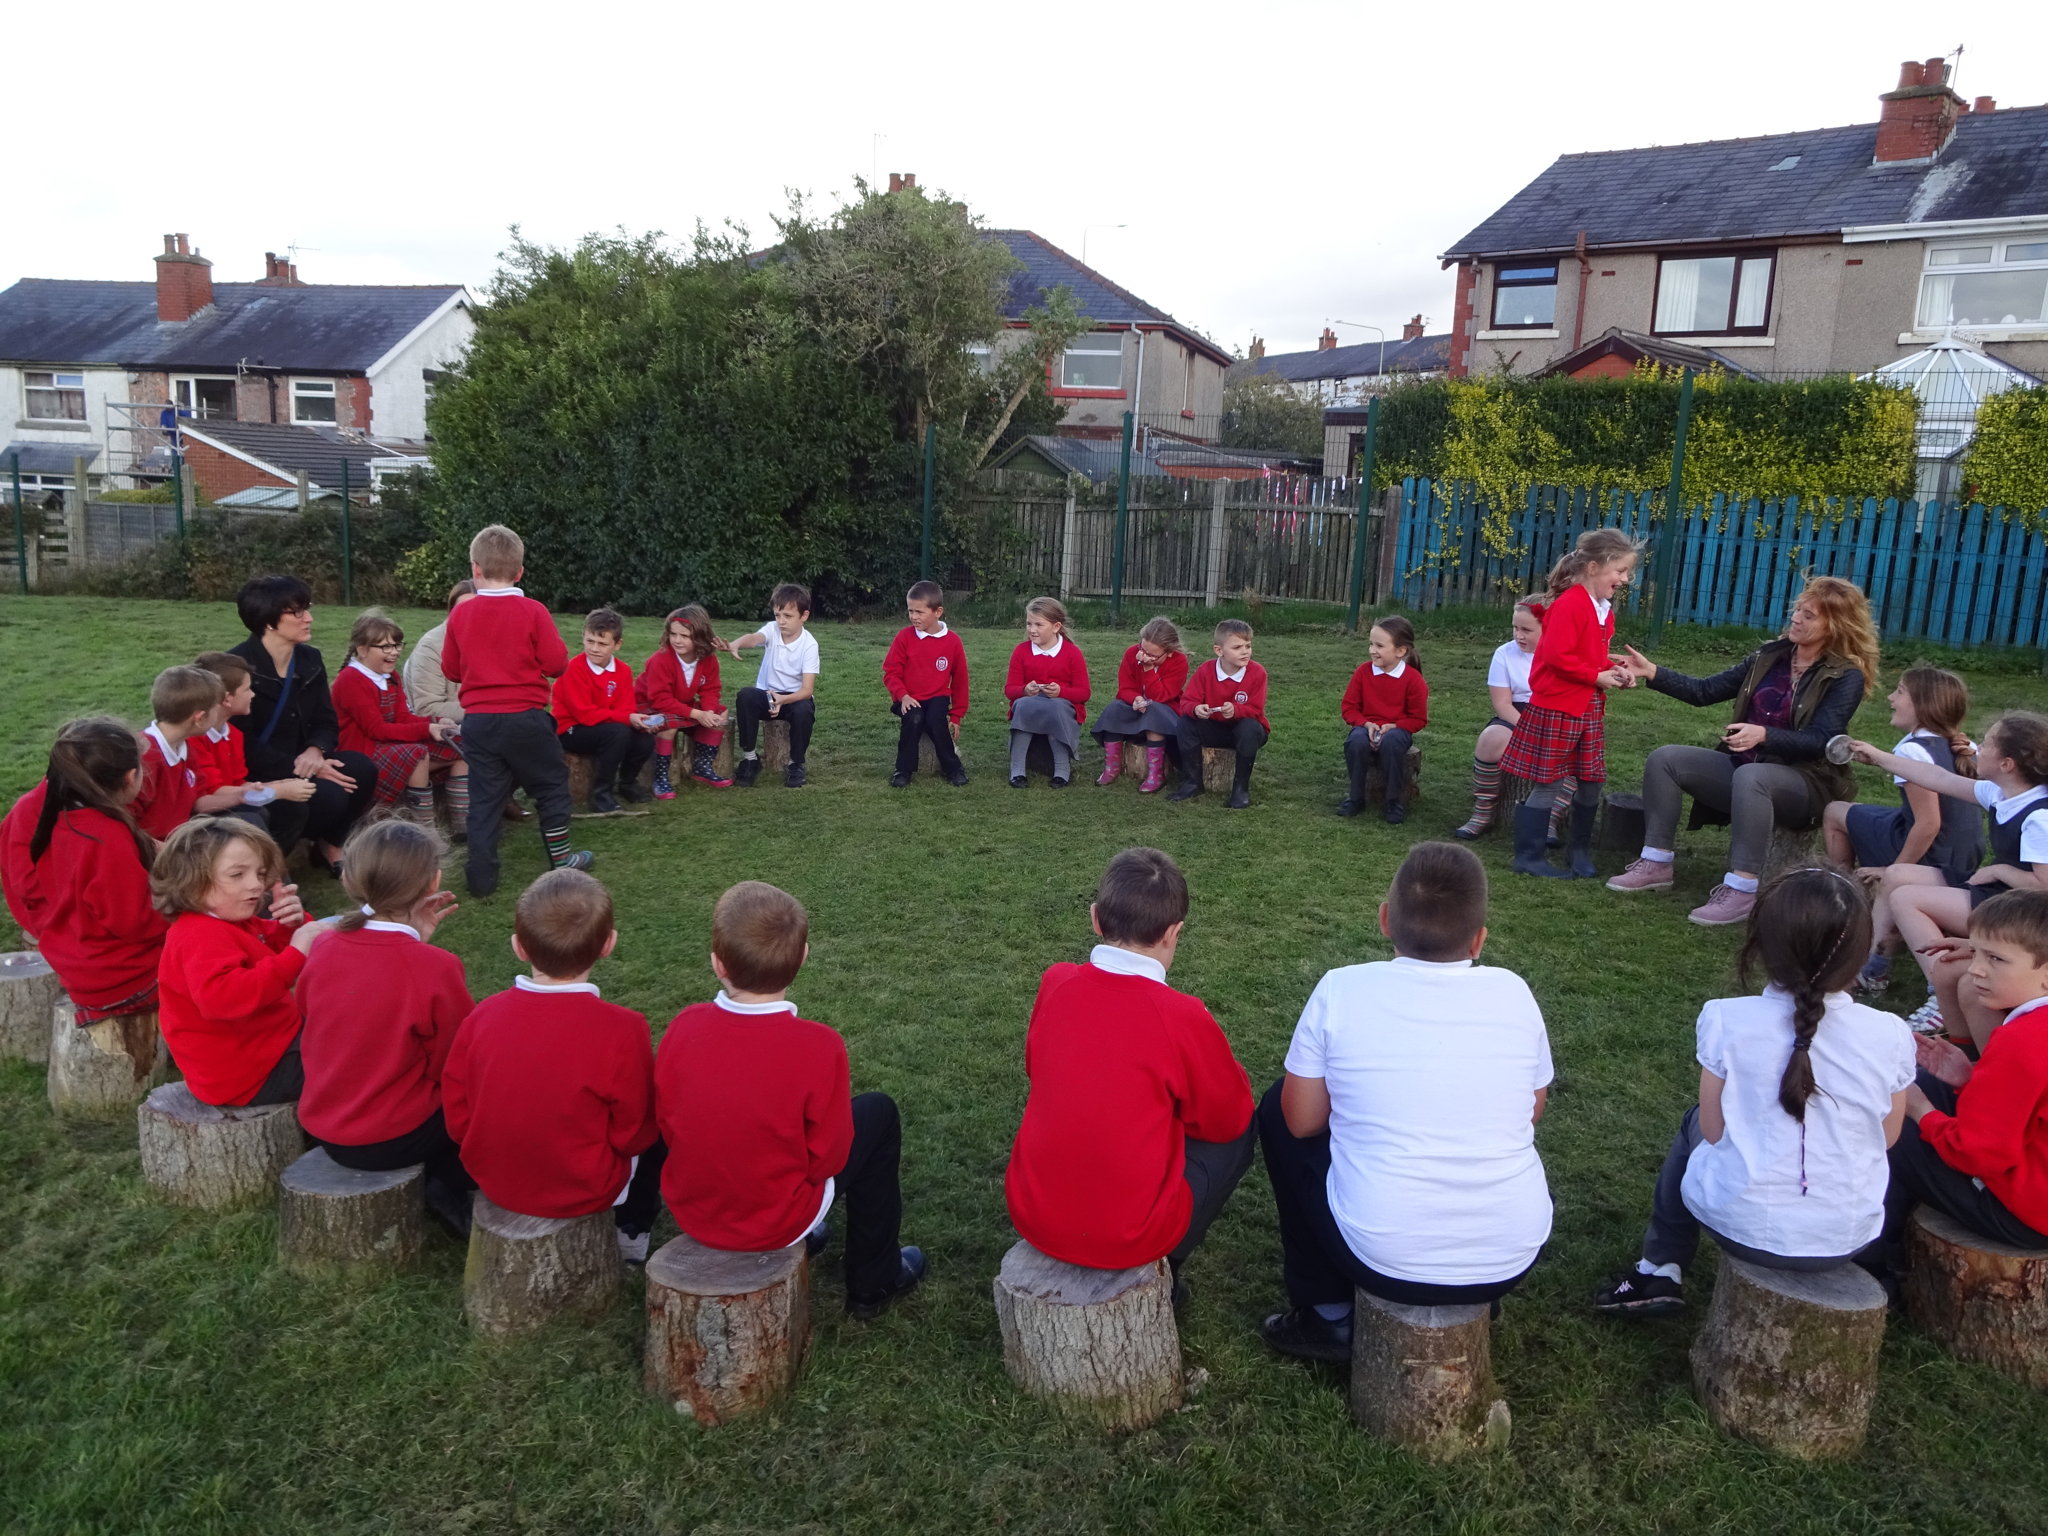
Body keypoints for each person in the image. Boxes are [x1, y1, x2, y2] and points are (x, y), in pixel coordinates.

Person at [1257, 842, 1552, 1361]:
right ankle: (1472, 1285)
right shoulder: (1515, 992)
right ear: (1479, 939)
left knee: (1279, 1111)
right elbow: (1531, 1110)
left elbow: (1302, 1123)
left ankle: (1326, 1310)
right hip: (1511, 1260)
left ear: (1385, 920)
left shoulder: (1341, 989)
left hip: (1378, 1255)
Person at [1593, 868, 1912, 1316]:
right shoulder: (1893, 1033)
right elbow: (1889, 1136)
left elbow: (1712, 1127)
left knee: (1691, 1123)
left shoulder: (1726, 1018)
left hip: (1738, 1224)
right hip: (1848, 1237)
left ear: (1760, 944)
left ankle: (1659, 1267)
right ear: (1862, 951)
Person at [655, 881, 926, 1318]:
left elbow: (669, 1122)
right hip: (777, 1217)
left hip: (693, 1208)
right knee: (879, 1113)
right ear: (802, 958)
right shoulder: (819, 1046)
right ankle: (874, 1279)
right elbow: (830, 1158)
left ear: (717, 963)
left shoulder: (683, 1027)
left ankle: (821, 1240)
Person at [1005, 848, 1254, 1304]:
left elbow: (1035, 1067)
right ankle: (1169, 1265)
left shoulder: (1057, 982)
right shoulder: (1182, 1016)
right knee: (1241, 1131)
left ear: (1096, 918)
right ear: (1174, 932)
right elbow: (1228, 1119)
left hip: (1032, 1212)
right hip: (1131, 1236)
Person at [1607, 575, 1877, 924]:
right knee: (1666, 759)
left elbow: (1822, 739)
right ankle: (1656, 861)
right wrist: (1652, 672)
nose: (1796, 618)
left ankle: (1741, 890)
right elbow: (1705, 691)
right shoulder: (1771, 657)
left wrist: (1764, 735)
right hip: (1747, 770)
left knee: (1752, 776)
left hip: (1806, 783)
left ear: (1836, 624)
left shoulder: (1845, 676)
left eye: (1809, 615)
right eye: (1798, 610)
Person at [442, 868, 664, 1261]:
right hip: (583, 1186)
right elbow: (634, 1132)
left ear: (518, 947)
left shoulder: (482, 1016)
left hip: (494, 1177)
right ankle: (631, 1230)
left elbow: (457, 1109)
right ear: (608, 944)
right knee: (660, 1134)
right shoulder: (622, 1029)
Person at [296, 819, 477, 1237]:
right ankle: (451, 1179)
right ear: (433, 880)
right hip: (393, 1134)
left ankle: (442, 1179)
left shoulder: (322, 947)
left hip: (325, 1125)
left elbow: (312, 1015)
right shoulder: (435, 968)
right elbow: (456, 1060)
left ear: (349, 879)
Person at [1849, 713, 2048, 1049]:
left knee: (1906, 899)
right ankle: (1874, 968)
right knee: (1897, 876)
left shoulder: (2039, 816)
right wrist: (1880, 757)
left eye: (1987, 744)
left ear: (2007, 763)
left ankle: (1941, 994)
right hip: (2003, 893)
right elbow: (1937, 777)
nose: (1977, 748)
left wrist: (2001, 872)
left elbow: (2042, 887)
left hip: (2024, 912)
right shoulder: (2003, 793)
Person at [1880, 890, 2048, 1270]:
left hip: (2028, 1215)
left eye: (1995, 959)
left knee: (1894, 1129)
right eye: (1976, 953)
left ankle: (1878, 1258)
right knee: (1929, 1087)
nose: (1975, 970)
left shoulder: (2021, 1040)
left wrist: (1922, 1112)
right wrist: (1968, 1080)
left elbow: (1978, 1154)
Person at [439, 525, 592, 897]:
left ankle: (481, 875)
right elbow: (556, 663)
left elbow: (451, 670)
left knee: (485, 796)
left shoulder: (461, 616)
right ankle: (561, 861)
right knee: (551, 785)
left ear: (475, 569)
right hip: (526, 717)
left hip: (478, 722)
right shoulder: (533, 610)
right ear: (520, 571)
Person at [1821, 667, 1982, 996]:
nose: (1891, 698)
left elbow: (1929, 823)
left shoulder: (1912, 750)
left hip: (1933, 855)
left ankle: (1842, 906)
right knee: (1841, 811)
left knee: (1834, 812)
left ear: (1922, 705)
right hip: (1963, 853)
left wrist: (1893, 869)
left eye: (1899, 692)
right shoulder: (1968, 746)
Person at [152, 817, 324, 1107]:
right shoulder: (198, 935)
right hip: (249, 1074)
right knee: (354, 1062)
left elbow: (267, 946)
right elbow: (222, 998)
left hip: (270, 1045)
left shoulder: (232, 922)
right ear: (192, 880)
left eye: (260, 873)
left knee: (352, 1029)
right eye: (237, 875)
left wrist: (291, 926)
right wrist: (296, 952)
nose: (255, 884)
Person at [5, 720, 167, 1027]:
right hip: (121, 979)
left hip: (78, 962)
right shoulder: (105, 836)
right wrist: (183, 902)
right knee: (219, 941)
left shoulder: (60, 815)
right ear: (131, 777)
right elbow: (136, 922)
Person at [1500, 529, 1638, 880]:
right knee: (1549, 782)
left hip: (1587, 709)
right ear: (1593, 567)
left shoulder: (1603, 610)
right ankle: (1528, 857)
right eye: (1620, 571)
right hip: (1558, 707)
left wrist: (1614, 669)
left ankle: (1578, 851)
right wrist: (1595, 676)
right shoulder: (1569, 605)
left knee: (1591, 780)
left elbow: (1586, 656)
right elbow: (1558, 656)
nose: (1625, 579)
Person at [226, 574, 380, 876]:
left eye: (306, 609)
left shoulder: (310, 659)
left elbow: (326, 720)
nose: (308, 618)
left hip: (308, 761)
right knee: (329, 794)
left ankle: (330, 844)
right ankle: (272, 868)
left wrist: (316, 750)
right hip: (261, 774)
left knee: (362, 768)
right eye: (297, 612)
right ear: (269, 621)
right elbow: (243, 745)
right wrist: (302, 766)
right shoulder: (237, 668)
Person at [408, 579, 529, 825]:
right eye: (462, 609)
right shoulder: (431, 648)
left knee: (532, 725)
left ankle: (501, 795)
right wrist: (482, 707)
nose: (470, 615)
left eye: (477, 608)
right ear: (450, 612)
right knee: (493, 733)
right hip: (442, 726)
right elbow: (425, 708)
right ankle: (479, 815)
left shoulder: (493, 639)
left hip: (477, 717)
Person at [332, 610, 467, 830]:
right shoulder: (351, 679)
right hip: (363, 751)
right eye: (385, 647)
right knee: (416, 754)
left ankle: (464, 825)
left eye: (396, 645)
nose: (394, 652)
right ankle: (423, 830)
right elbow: (377, 730)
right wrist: (427, 729)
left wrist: (438, 722)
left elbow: (403, 717)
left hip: (389, 742)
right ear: (362, 649)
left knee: (460, 745)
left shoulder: (390, 676)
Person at [1453, 599, 1572, 844]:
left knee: (1576, 750)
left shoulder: (1564, 655)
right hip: (1516, 714)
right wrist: (1530, 730)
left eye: (1526, 630)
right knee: (1490, 740)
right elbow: (1502, 703)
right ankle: (1484, 810)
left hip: (1556, 715)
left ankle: (1550, 817)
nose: (1519, 635)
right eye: (1515, 628)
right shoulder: (1504, 654)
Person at [189, 651, 317, 831]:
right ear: (227, 699)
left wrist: (277, 786)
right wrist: (276, 791)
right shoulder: (195, 738)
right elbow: (214, 791)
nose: (252, 695)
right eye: (247, 689)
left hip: (233, 798)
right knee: (255, 814)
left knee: (292, 810)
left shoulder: (233, 734)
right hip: (206, 810)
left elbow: (238, 781)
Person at [717, 583, 820, 789]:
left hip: (794, 698)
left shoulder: (810, 645)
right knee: (745, 695)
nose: (781, 621)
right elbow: (755, 638)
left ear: (804, 616)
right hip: (768, 696)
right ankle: (750, 759)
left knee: (804, 711)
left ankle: (796, 763)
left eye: (788, 616)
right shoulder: (772, 630)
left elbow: (807, 690)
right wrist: (736, 643)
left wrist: (784, 700)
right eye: (777, 615)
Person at [553, 607, 656, 814]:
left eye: (602, 643)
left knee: (644, 737)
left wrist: (634, 720)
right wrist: (626, 718)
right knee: (618, 732)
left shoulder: (623, 671)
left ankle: (627, 783)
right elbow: (585, 714)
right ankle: (601, 793)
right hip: (572, 729)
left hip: (605, 726)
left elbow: (626, 707)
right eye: (590, 641)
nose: (594, 648)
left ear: (617, 645)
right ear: (583, 637)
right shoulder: (573, 668)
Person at [1338, 615, 1429, 825]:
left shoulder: (1413, 680)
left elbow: (1418, 718)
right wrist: (1365, 723)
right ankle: (1356, 798)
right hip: (1366, 726)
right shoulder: (1363, 672)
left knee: (1392, 742)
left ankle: (1394, 802)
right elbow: (1349, 708)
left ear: (1400, 651)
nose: (1372, 650)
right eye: (1371, 644)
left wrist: (1395, 726)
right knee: (1356, 742)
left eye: (1379, 645)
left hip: (1397, 730)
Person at [1170, 619, 1270, 810]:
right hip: (1215, 727)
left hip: (1246, 731)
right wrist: (1196, 709)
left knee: (1248, 727)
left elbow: (1256, 709)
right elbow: (1186, 702)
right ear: (1219, 650)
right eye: (1237, 647)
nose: (1245, 651)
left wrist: (1236, 709)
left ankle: (1240, 789)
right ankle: (1192, 782)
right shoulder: (1206, 670)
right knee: (1185, 723)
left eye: (1248, 646)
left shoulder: (1257, 672)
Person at [882, 580, 970, 788]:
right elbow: (891, 672)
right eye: (910, 611)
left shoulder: (952, 642)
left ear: (938, 611)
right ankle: (903, 770)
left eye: (919, 612)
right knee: (914, 718)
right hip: (907, 697)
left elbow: (960, 680)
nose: (914, 617)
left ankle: (953, 768)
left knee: (934, 719)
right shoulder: (904, 637)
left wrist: (956, 715)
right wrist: (902, 695)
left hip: (937, 697)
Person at [637, 604, 732, 796]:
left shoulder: (708, 660)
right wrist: (697, 713)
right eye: (673, 634)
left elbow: (711, 689)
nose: (677, 640)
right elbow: (659, 700)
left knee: (720, 714)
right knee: (668, 724)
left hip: (679, 704)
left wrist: (709, 713)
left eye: (685, 636)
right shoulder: (661, 660)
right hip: (648, 707)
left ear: (699, 637)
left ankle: (702, 767)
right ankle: (661, 777)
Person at [1003, 596, 1090, 789]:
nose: (1032, 630)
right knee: (1023, 705)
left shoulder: (1072, 653)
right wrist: (1025, 690)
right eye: (1029, 623)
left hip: (1061, 704)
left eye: (1038, 625)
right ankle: (1017, 769)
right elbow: (1010, 690)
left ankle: (1062, 769)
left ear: (1056, 626)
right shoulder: (1021, 651)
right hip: (1030, 701)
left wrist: (1061, 692)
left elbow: (1084, 693)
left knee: (1056, 709)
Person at [1094, 617, 1188, 794]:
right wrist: (1135, 698)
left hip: (1164, 710)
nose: (1144, 656)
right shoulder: (1132, 653)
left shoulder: (1178, 661)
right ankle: (1111, 768)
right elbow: (1124, 688)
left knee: (1154, 712)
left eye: (1152, 655)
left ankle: (1155, 774)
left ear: (1169, 652)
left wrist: (1148, 669)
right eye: (1142, 649)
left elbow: (1161, 696)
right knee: (1114, 709)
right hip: (1136, 706)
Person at [131, 665, 224, 840]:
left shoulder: (184, 747)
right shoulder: (145, 757)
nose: (219, 713)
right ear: (199, 718)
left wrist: (245, 795)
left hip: (177, 841)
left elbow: (199, 800)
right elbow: (125, 823)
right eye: (216, 708)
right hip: (152, 854)